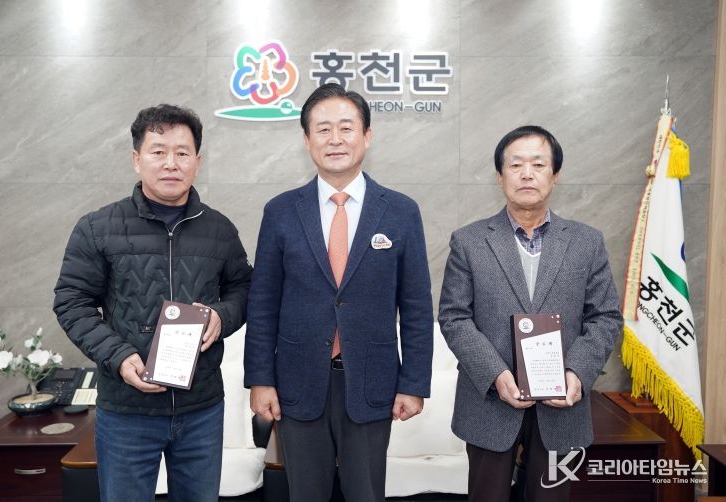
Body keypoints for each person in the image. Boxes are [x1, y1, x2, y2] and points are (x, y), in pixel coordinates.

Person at [243, 83, 434, 502]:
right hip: (296, 381)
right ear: (306, 139)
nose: (335, 139)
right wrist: (260, 379)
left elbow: (417, 307)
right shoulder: (281, 211)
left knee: (366, 493)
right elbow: (262, 304)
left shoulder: (400, 211)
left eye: (346, 128)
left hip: (372, 380)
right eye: (323, 129)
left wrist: (414, 382)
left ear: (367, 135)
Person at [53, 104, 253, 502]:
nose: (170, 163)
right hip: (127, 411)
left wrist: (221, 315)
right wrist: (120, 357)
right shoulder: (97, 227)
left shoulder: (219, 230)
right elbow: (71, 302)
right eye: (158, 151)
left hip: (201, 409)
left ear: (197, 161)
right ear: (136, 159)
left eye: (182, 152)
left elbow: (245, 289)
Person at [438, 125, 623, 502]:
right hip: (490, 404)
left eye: (538, 165)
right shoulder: (469, 241)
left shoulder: (586, 242)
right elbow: (454, 317)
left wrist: (576, 372)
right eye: (516, 165)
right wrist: (496, 375)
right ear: (500, 176)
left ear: (555, 175)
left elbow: (605, 317)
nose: (526, 174)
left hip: (561, 407)